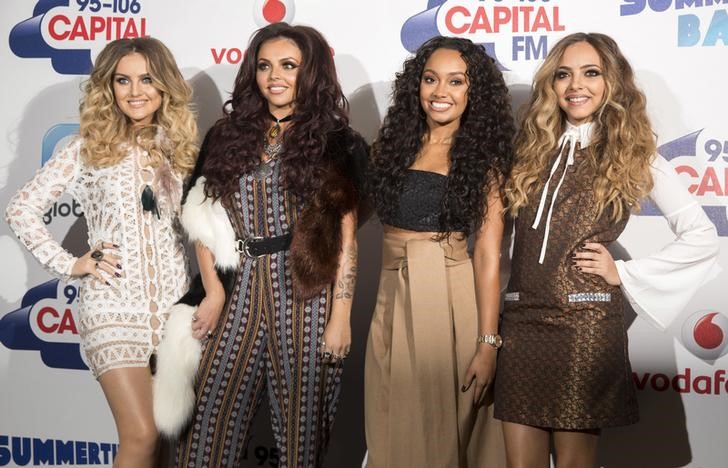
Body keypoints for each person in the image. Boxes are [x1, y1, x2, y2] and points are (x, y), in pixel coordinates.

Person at [496, 32, 721, 468]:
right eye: (564, 74)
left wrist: (624, 273)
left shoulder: (633, 152)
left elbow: (700, 234)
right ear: (551, 85)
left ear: (611, 82)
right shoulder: (531, 149)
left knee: (575, 463)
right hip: (521, 321)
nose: (575, 85)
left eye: (590, 73)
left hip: (585, 324)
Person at [167, 22, 367, 468]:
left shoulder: (338, 143)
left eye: (289, 65)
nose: (275, 75)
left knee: (302, 438)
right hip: (235, 289)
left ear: (311, 72)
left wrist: (341, 316)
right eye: (264, 66)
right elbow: (200, 215)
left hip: (306, 296)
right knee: (204, 431)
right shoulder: (226, 134)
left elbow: (346, 239)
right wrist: (214, 290)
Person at [5, 37, 197, 467]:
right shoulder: (85, 148)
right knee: (142, 435)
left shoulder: (180, 150)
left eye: (147, 79)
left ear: (164, 85)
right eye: (122, 80)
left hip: (174, 312)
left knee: (167, 437)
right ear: (107, 88)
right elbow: (21, 208)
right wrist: (71, 263)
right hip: (111, 307)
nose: (135, 91)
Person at [364, 36, 513, 468]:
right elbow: (349, 217)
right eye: (431, 79)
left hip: (448, 301)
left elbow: (487, 256)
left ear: (474, 91)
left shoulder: (482, 159)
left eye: (455, 81)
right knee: (389, 419)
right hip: (391, 297)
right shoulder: (391, 148)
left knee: (436, 433)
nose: (440, 92)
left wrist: (487, 344)